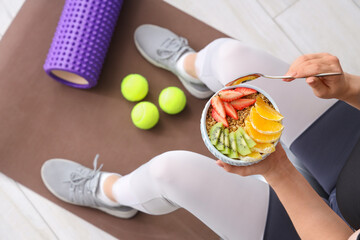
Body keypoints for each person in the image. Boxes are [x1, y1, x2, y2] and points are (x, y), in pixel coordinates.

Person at [41, 24, 360, 239]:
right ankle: (191, 70)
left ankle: (116, 195)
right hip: (352, 148)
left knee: (169, 171)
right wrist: (347, 87)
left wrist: (280, 171)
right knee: (230, 57)